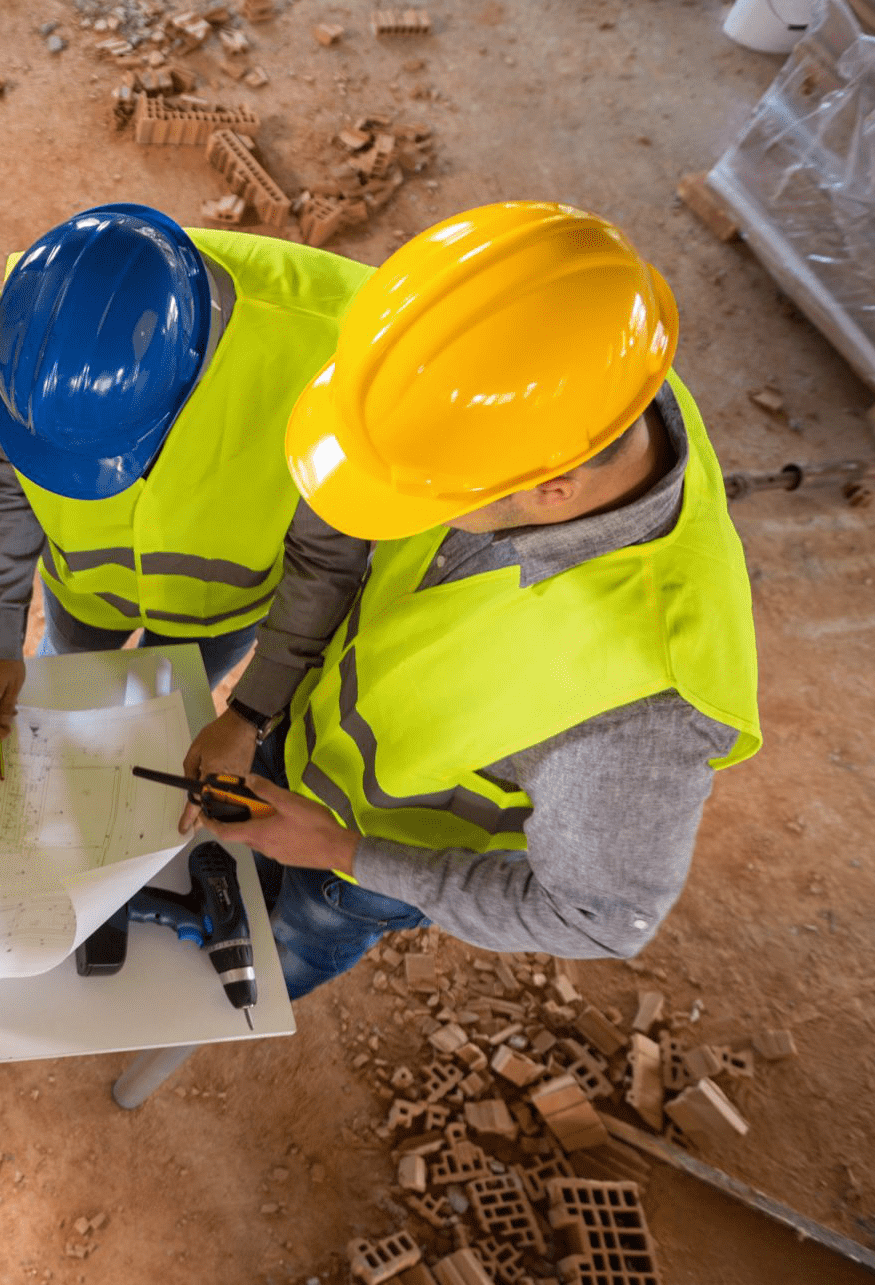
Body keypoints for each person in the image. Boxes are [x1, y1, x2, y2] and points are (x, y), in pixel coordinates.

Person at [186, 203, 764, 996]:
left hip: (357, 866)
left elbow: (597, 916)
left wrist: (341, 852)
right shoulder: (580, 378)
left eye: (427, 496)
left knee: (264, 970)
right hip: (302, 743)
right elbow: (342, 532)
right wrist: (254, 712)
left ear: (553, 491)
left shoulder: (645, 705)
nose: (407, 509)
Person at [0, 203, 373, 739]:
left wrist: (250, 712)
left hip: (216, 621)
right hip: (82, 595)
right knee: (60, 706)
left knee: (157, 726)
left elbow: (327, 560)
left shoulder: (325, 354)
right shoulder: (35, 325)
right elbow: (8, 479)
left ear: (186, 377)